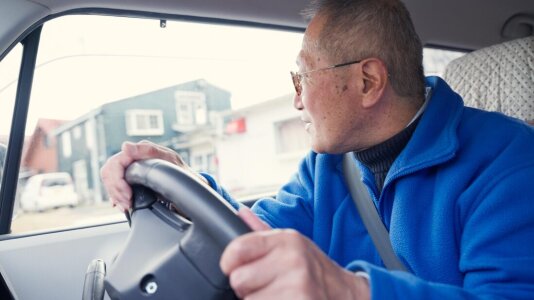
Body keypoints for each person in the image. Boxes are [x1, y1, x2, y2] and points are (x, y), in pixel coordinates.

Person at [101, 0, 534, 299]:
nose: (297, 100)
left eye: (302, 78)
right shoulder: (327, 167)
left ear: (367, 82)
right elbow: (251, 233)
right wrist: (183, 180)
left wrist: (348, 291)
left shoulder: (509, 162)